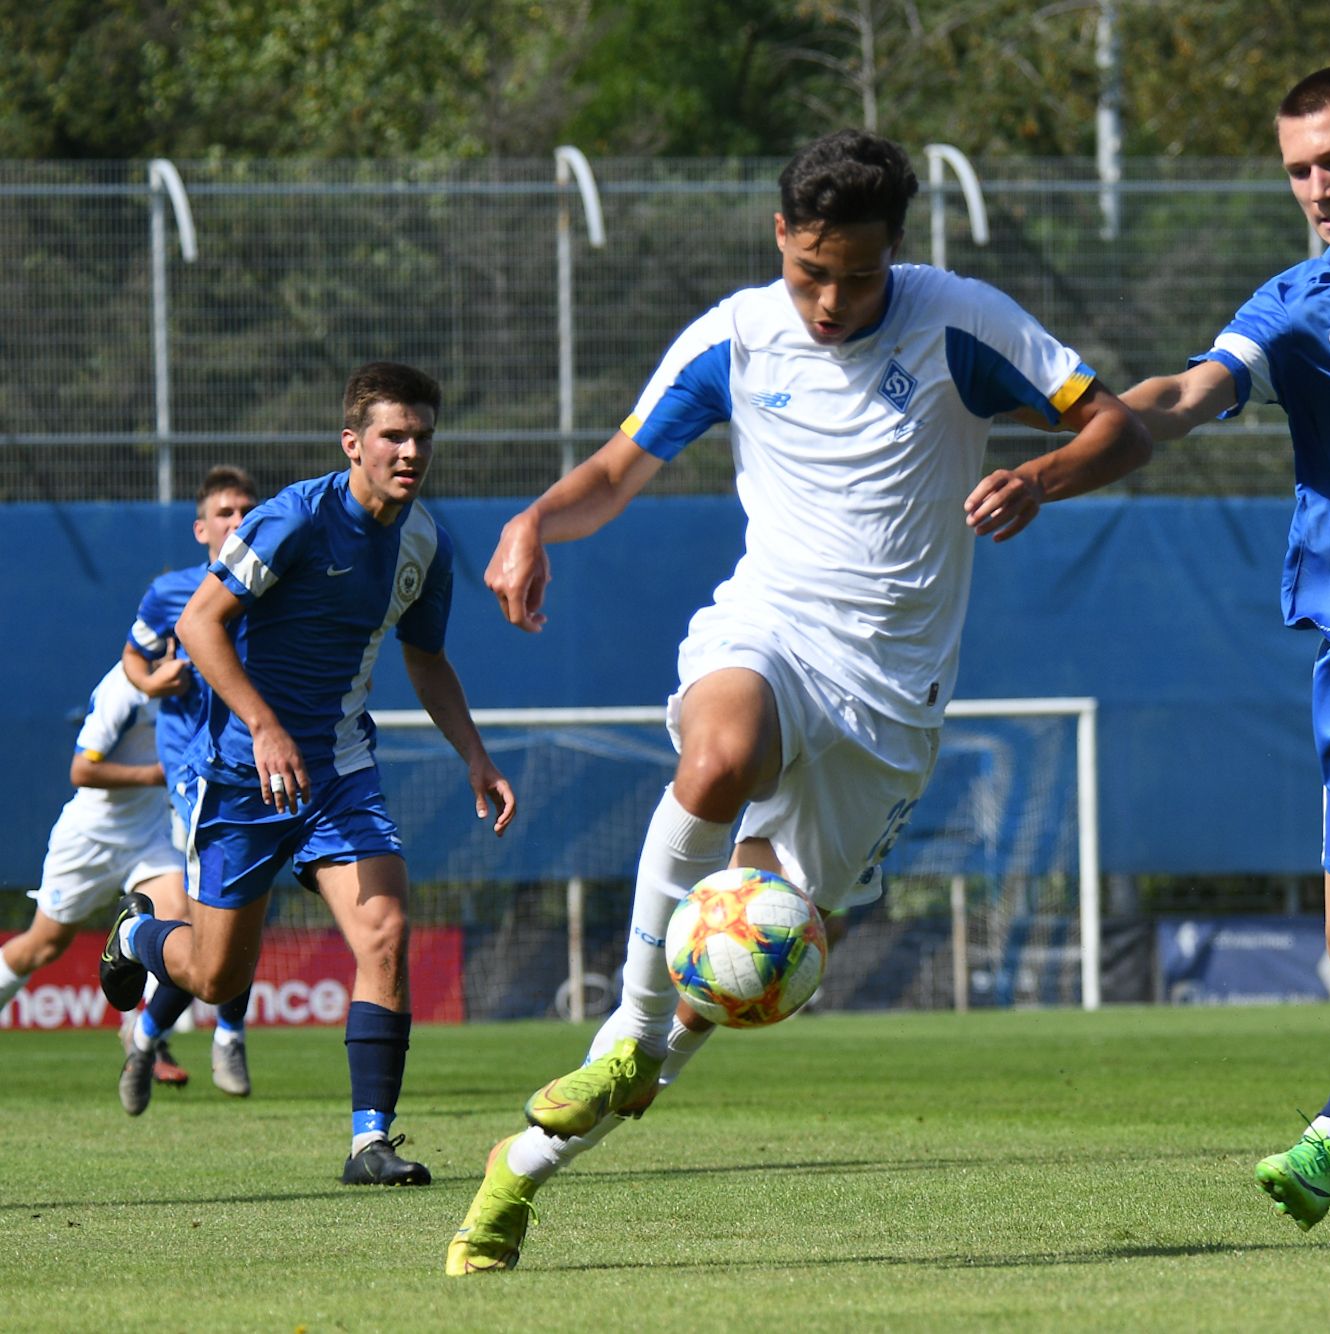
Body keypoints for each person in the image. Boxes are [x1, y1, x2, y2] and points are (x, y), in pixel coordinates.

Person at [445, 128, 1152, 1274]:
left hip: (890, 702)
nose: (829, 300)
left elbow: (1115, 425)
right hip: (767, 628)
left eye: (857, 277)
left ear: (894, 254)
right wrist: (532, 520)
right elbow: (616, 471)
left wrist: (1038, 474)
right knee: (715, 759)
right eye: (809, 271)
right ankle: (623, 1028)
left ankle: (519, 1166)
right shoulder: (733, 335)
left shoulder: (959, 322)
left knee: (736, 974)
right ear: (779, 235)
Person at [98, 361, 517, 1185]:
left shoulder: (426, 542)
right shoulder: (293, 518)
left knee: (386, 933)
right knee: (217, 976)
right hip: (242, 775)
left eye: (423, 437)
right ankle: (137, 935)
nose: (410, 452)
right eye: (393, 436)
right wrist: (263, 728)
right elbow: (200, 625)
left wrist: (475, 755)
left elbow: (426, 659)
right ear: (352, 443)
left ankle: (370, 1143)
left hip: (340, 770)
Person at [1120, 66, 1330, 1234]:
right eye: (1298, 167)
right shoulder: (1294, 305)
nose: (1317, 185)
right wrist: (1097, 421)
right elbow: (1189, 389)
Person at [120, 465, 259, 1104]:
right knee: (220, 919)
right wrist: (152, 681)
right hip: (194, 774)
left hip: (263, 768)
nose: (238, 520)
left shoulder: (277, 584)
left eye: (247, 509)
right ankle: (225, 1033)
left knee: (235, 926)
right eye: (225, 512)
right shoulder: (171, 592)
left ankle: (150, 1035)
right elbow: (135, 653)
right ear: (202, 529)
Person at [0, 658, 193, 1114]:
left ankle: (145, 1037)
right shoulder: (122, 690)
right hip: (89, 840)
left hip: (147, 838)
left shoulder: (195, 681)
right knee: (42, 946)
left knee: (181, 926)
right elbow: (82, 771)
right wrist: (156, 775)